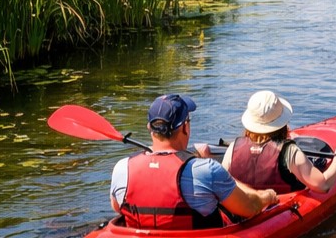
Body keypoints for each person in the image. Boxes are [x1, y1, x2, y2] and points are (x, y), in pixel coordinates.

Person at [110, 93, 278, 229]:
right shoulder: (206, 170)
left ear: (150, 129)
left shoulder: (122, 168)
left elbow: (118, 209)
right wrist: (267, 196)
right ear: (185, 127)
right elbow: (250, 208)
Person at [223, 90, 336, 194]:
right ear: (281, 122)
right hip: (279, 208)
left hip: (245, 207)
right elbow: (323, 186)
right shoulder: (289, 151)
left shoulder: (233, 147)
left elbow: (222, 184)